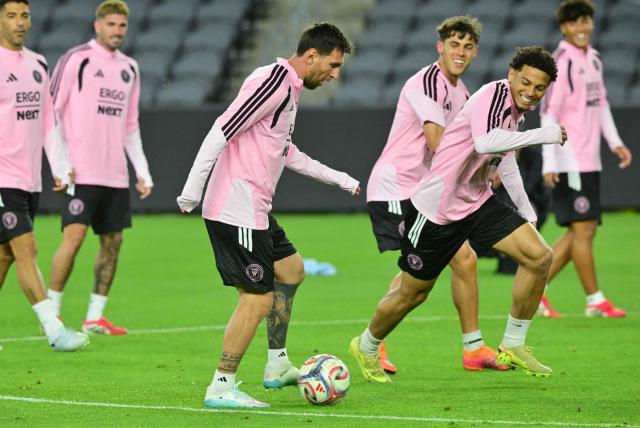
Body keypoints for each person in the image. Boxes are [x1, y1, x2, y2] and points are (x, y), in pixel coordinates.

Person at [350, 46, 567, 382]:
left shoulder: (516, 110)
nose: (531, 91)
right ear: (512, 75)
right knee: (413, 293)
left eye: (539, 87)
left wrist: (526, 210)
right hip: (436, 211)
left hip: (477, 202)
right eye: (526, 82)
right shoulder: (493, 94)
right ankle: (366, 345)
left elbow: (505, 157)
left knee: (539, 257)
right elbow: (485, 143)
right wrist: (547, 135)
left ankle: (513, 344)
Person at [177, 23, 358, 408]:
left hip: (256, 209)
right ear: (312, 55)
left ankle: (276, 365)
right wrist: (191, 191)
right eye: (333, 64)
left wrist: (339, 178)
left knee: (291, 271)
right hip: (235, 209)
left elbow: (285, 152)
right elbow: (221, 129)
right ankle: (221, 386)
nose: (335, 74)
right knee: (256, 301)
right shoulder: (273, 80)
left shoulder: (290, 91)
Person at [366, 16, 506, 373]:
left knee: (463, 261)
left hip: (428, 192)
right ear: (439, 46)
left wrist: (493, 167)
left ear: (475, 52)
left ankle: (473, 348)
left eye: (468, 46)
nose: (460, 52)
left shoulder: (464, 94)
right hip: (398, 187)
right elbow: (438, 143)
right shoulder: (429, 82)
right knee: (419, 277)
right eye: (454, 44)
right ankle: (371, 343)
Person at [46, 0, 153, 334]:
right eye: (111, 25)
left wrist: (142, 170)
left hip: (115, 175)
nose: (117, 31)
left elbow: (130, 125)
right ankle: (51, 312)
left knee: (113, 243)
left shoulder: (130, 68)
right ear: (97, 25)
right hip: (81, 171)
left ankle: (95, 317)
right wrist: (61, 165)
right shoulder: (76, 59)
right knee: (74, 238)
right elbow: (51, 112)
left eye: (122, 26)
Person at [0, 0, 88, 351]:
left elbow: (48, 121)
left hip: (29, 178)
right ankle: (54, 329)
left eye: (25, 16)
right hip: (2, 177)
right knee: (26, 248)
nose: (20, 22)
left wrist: (60, 165)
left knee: (6, 255)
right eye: (11, 16)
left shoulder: (38, 64)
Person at [538, 0, 632, 318]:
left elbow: (600, 103)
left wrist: (615, 142)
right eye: (574, 23)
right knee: (583, 230)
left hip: (589, 159)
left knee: (583, 230)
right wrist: (550, 162)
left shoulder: (593, 58)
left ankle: (536, 292)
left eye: (586, 21)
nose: (581, 28)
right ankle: (595, 300)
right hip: (570, 160)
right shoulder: (561, 62)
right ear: (564, 27)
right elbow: (548, 112)